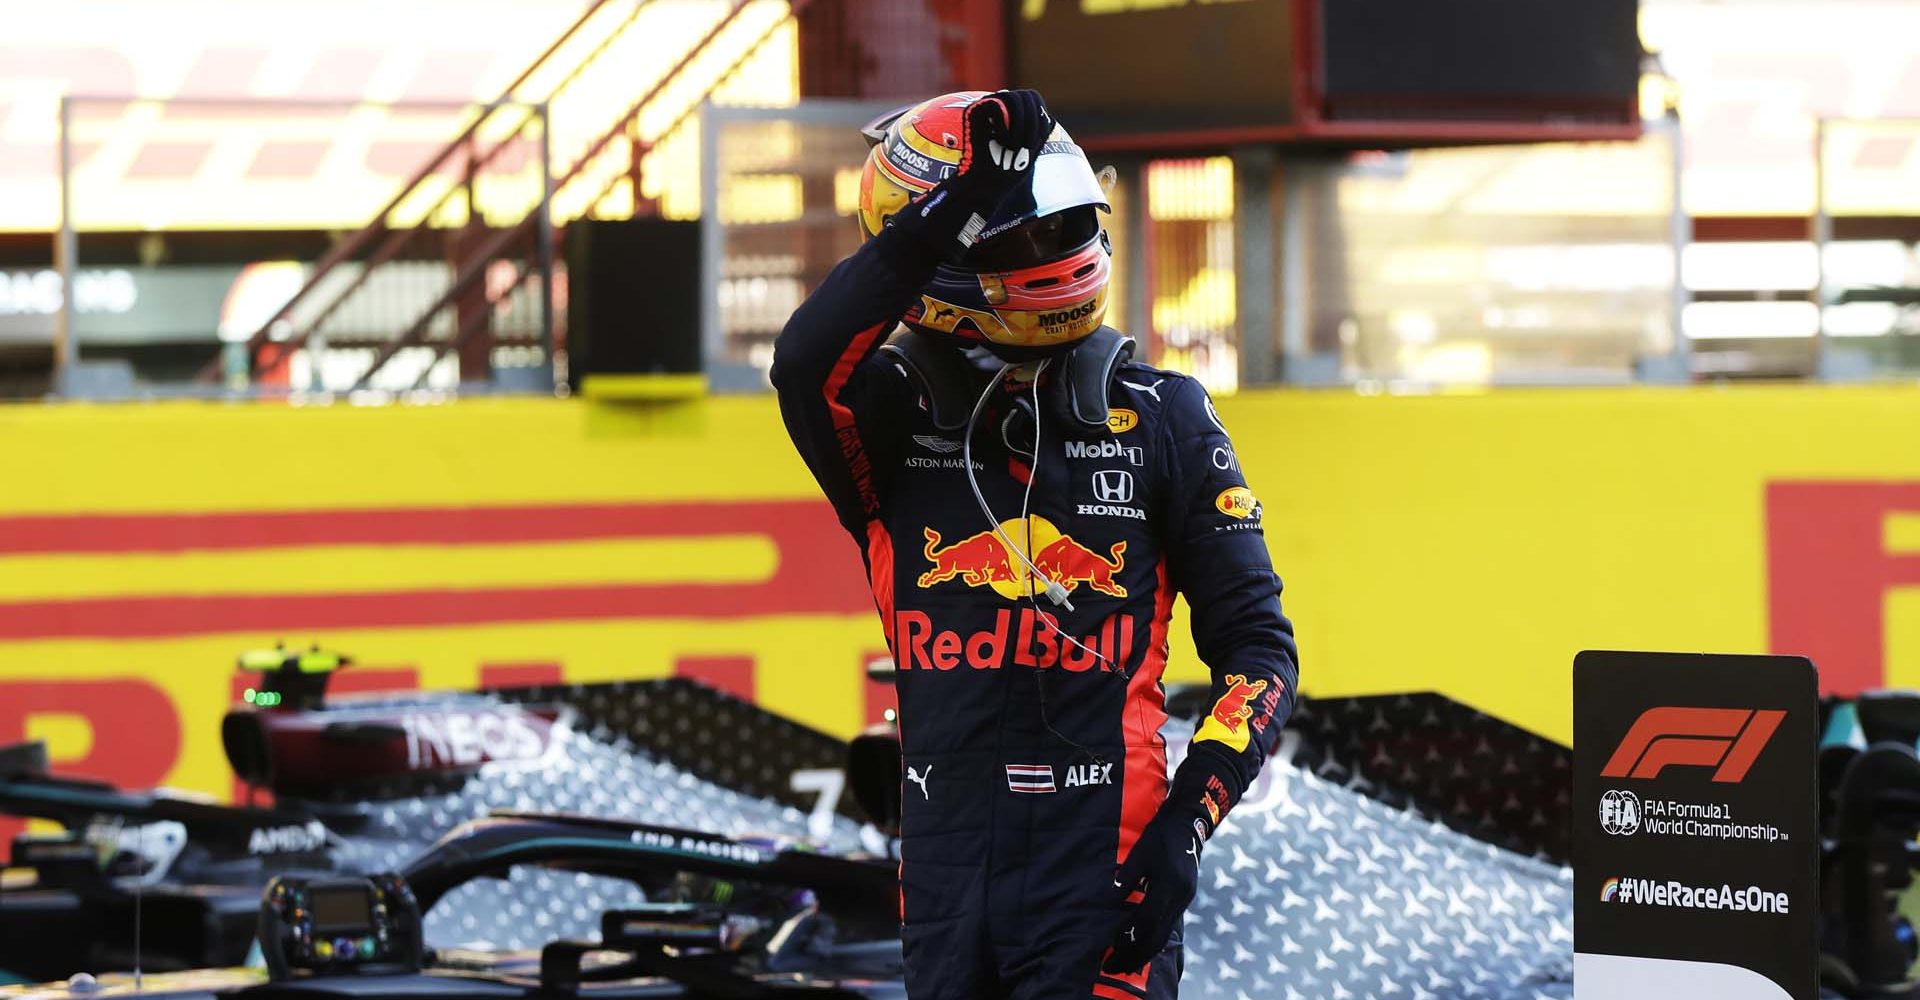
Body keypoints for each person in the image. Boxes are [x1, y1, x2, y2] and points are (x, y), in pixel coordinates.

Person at [771, 88, 1298, 999]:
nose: (1053, 255)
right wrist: (953, 198)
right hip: (943, 884)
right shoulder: (887, 423)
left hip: (1102, 879)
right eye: (1016, 238)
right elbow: (803, 362)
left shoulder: (1167, 417)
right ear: (939, 251)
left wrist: (1188, 826)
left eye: (1064, 226)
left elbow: (1261, 656)